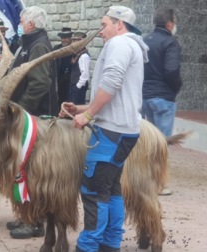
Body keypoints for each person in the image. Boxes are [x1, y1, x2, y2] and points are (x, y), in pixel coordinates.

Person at [59, 6, 148, 252]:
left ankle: (88, 246)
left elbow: (111, 82)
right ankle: (110, 244)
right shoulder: (132, 45)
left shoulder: (119, 45)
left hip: (111, 132)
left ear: (120, 24)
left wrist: (88, 115)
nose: (101, 31)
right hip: (125, 131)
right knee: (111, 188)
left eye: (104, 24)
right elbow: (117, 93)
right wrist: (81, 108)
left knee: (93, 190)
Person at [3, 6, 58, 239]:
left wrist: (20, 110)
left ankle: (35, 221)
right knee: (23, 169)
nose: (20, 22)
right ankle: (27, 215)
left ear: (31, 24)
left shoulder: (38, 46)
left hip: (34, 121)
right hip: (26, 119)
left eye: (22, 20)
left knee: (33, 171)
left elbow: (39, 84)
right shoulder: (28, 45)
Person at [142, 7, 182, 196]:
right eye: (174, 21)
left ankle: (146, 179)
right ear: (169, 24)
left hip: (145, 97)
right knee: (162, 143)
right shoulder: (170, 43)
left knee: (150, 141)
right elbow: (172, 71)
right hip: (163, 98)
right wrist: (175, 89)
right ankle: (159, 184)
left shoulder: (146, 40)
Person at [53, 27, 73, 107]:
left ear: (70, 38)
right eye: (62, 38)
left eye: (66, 38)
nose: (64, 40)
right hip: (58, 78)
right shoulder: (56, 48)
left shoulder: (74, 48)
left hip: (69, 79)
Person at [69, 31, 91, 105]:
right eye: (73, 40)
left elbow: (85, 75)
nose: (73, 43)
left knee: (77, 108)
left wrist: (77, 87)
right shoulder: (77, 54)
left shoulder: (84, 56)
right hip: (75, 85)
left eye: (76, 41)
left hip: (79, 87)